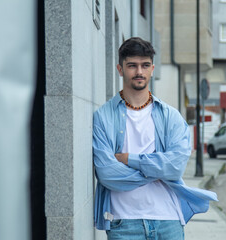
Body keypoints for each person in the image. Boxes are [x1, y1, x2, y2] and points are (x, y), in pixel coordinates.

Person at [93, 37, 218, 240]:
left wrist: (129, 159)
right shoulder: (103, 116)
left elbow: (175, 167)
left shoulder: (171, 116)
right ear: (120, 69)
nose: (139, 72)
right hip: (124, 223)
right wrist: (159, 170)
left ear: (152, 69)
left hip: (168, 221)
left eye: (145, 65)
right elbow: (107, 174)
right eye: (132, 65)